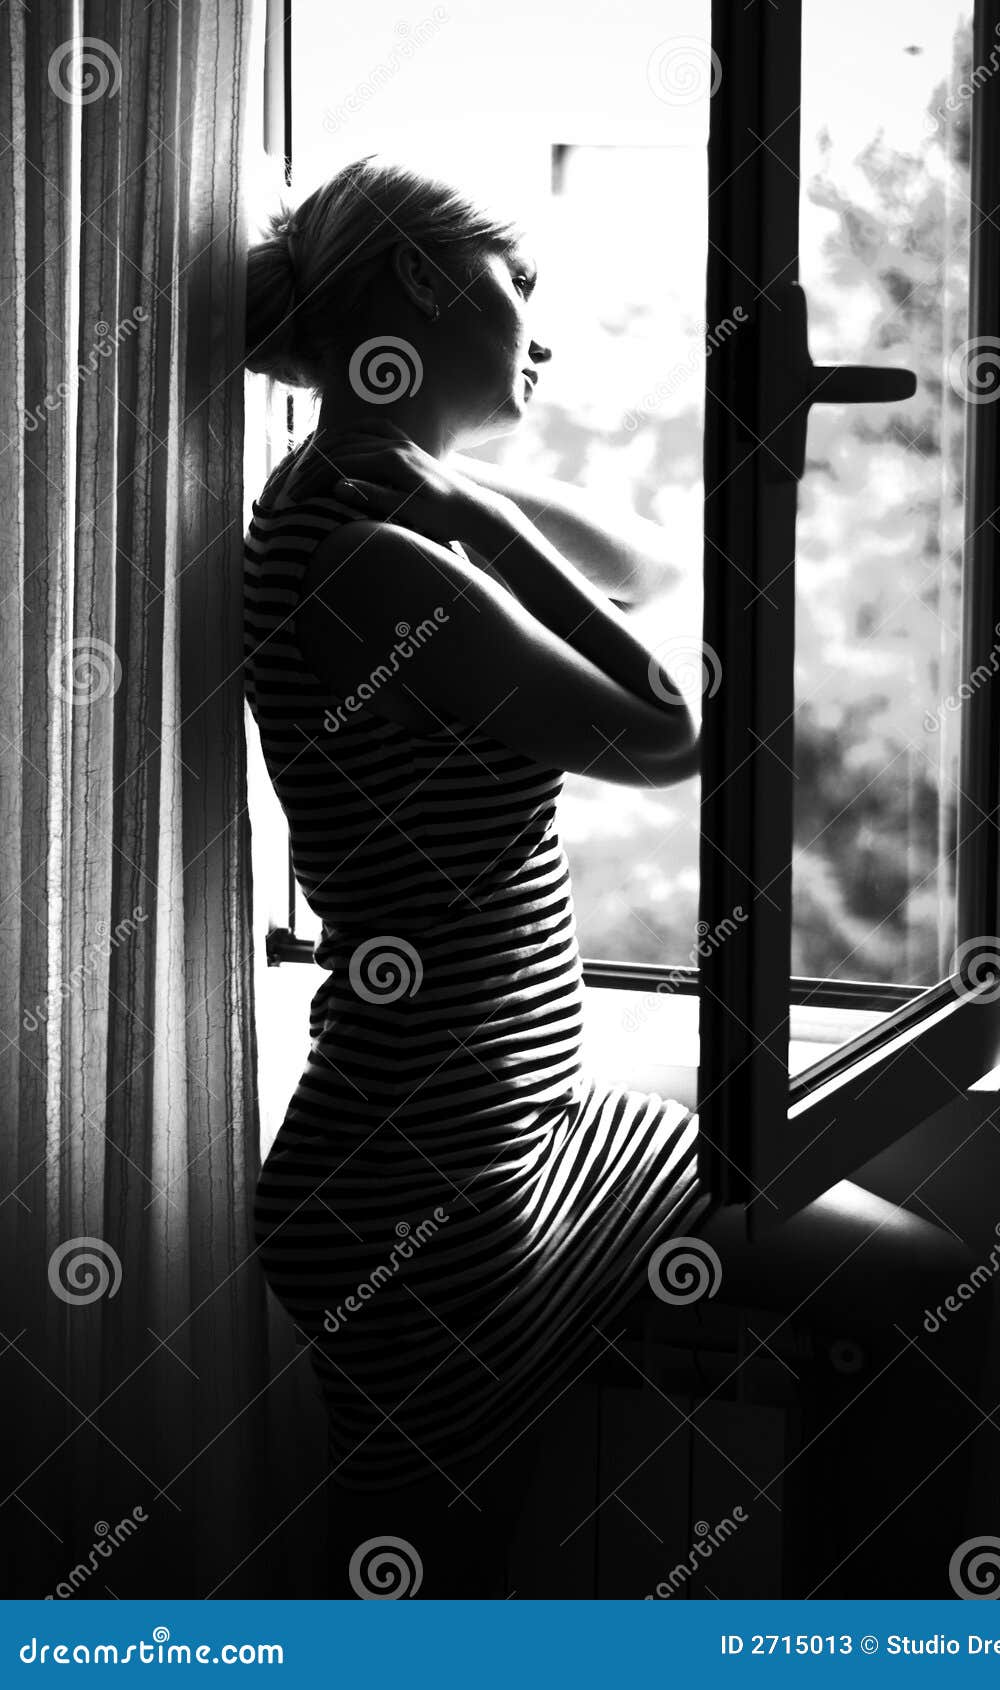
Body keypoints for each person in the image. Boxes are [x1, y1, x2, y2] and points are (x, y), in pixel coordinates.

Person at [242, 152, 714, 1598]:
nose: (541, 331)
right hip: (424, 1171)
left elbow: (647, 559)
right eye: (521, 286)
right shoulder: (373, 560)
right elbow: (669, 728)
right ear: (422, 283)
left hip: (518, 1128)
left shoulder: (349, 496)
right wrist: (484, 519)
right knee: (423, 1596)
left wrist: (461, 486)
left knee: (903, 1281)